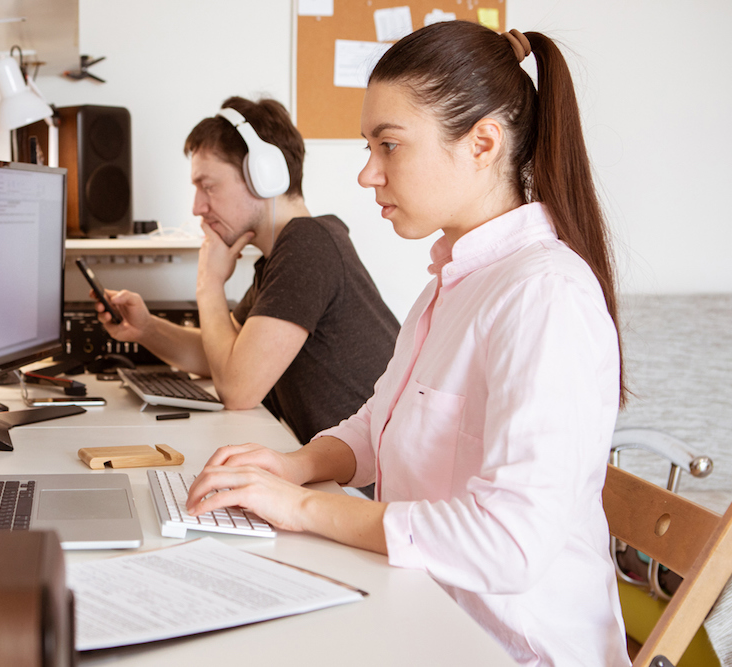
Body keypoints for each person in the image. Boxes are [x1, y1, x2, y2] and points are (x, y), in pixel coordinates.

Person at [185, 22, 631, 667]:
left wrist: (303, 508)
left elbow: (507, 542)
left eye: (388, 145)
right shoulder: (450, 285)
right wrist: (295, 465)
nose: (369, 174)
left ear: (482, 143)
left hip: (509, 647)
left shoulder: (544, 296)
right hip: (424, 611)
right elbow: (380, 426)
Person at [95, 97, 400, 447]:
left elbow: (237, 389)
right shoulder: (284, 254)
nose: (197, 207)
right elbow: (221, 357)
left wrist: (209, 284)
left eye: (208, 186)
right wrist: (146, 329)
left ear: (263, 176)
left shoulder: (308, 245)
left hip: (368, 491)